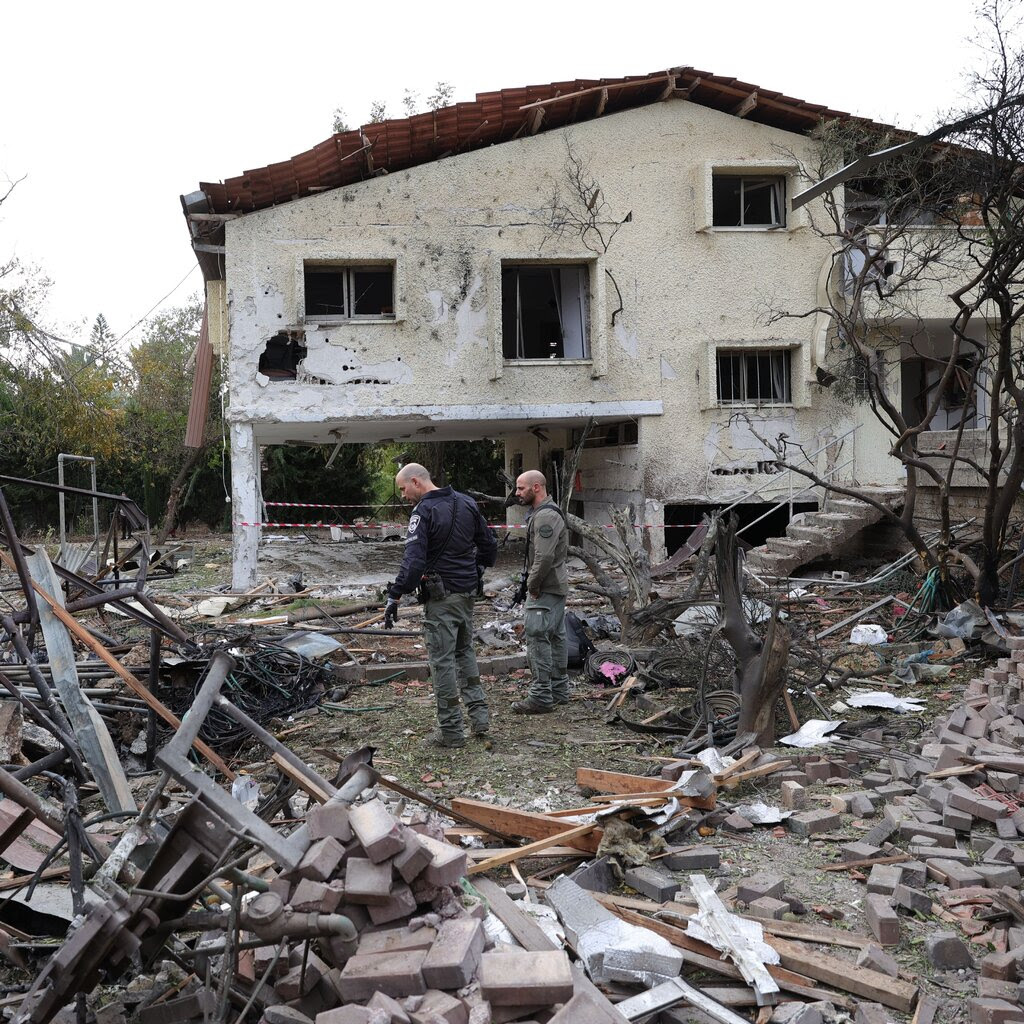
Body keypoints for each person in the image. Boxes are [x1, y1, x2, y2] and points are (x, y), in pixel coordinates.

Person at [383, 463, 497, 748]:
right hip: (467, 593)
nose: (403, 495)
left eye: (403, 489)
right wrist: (476, 570)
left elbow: (413, 562)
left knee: (442, 661)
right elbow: (489, 545)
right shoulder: (467, 502)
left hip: (442, 597)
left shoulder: (423, 512)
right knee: (465, 651)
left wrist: (395, 594)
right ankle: (480, 718)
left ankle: (451, 732)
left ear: (415, 482)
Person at [511, 470, 569, 714]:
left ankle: (541, 696)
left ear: (537, 487)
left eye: (521, 488)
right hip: (554, 586)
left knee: (537, 638)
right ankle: (559, 691)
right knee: (555, 636)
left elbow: (544, 556)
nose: (517, 493)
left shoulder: (545, 516)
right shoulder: (546, 512)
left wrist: (532, 586)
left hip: (545, 588)